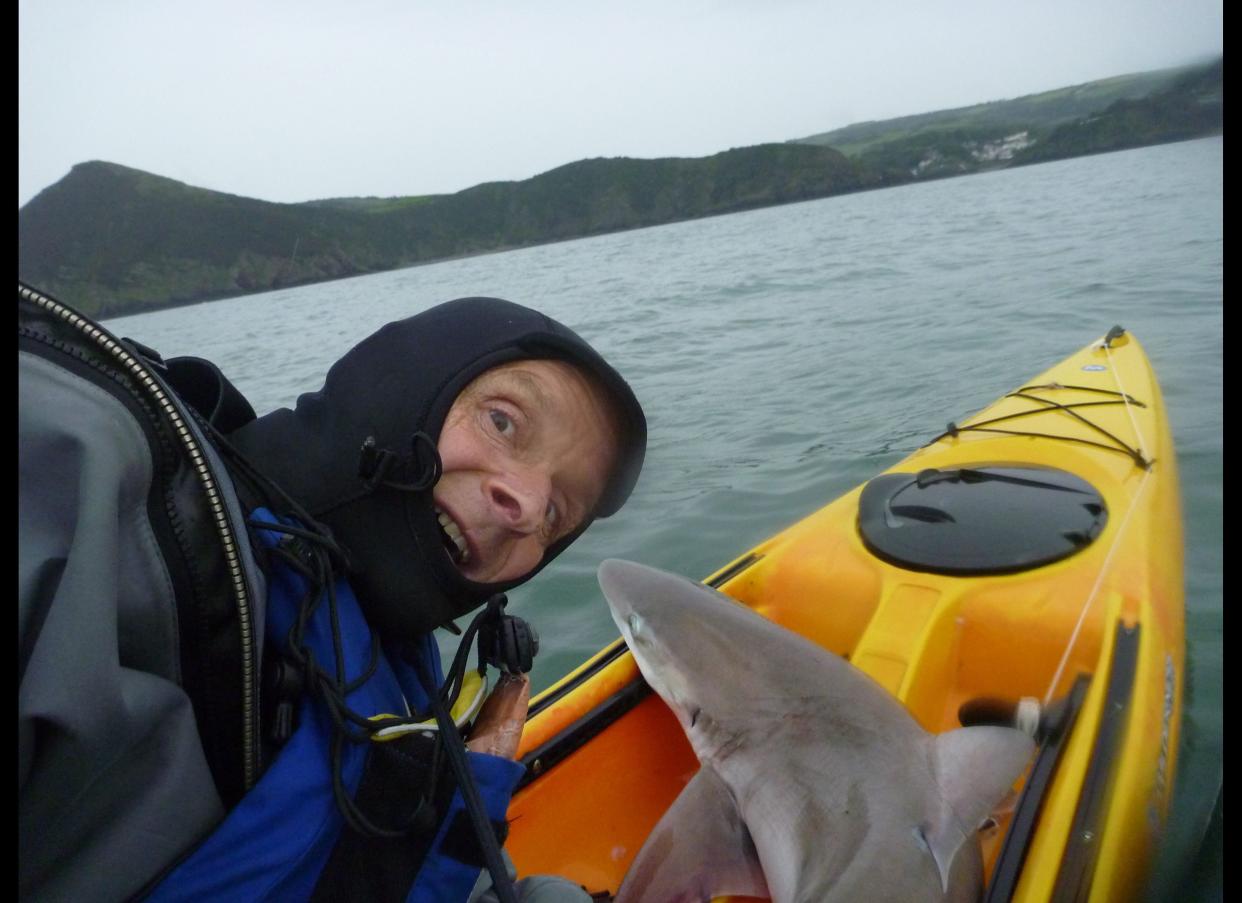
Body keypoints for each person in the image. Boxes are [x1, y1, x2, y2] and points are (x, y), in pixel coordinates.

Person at [18, 286, 646, 902]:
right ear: (400, 381)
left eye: (559, 513)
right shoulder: (90, 500)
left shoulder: (400, 664)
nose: (528, 507)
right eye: (502, 420)